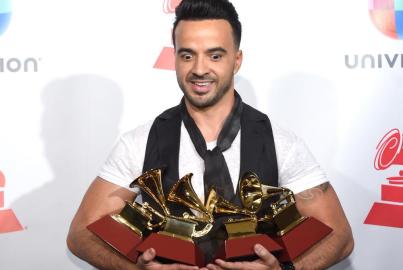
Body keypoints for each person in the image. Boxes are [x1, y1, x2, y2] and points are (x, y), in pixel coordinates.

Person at [66, 0, 354, 269]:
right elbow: (80, 234)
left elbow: (340, 237)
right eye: (187, 55)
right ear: (175, 59)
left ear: (237, 60)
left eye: (215, 55)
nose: (199, 69)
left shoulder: (281, 143)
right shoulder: (139, 143)